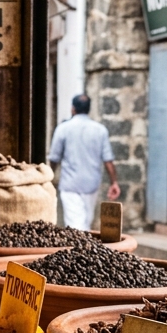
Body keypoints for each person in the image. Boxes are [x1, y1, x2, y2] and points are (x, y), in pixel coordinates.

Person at [48, 93, 121, 231]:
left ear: (73, 109)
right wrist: (114, 182)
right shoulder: (100, 130)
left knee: (76, 226)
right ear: (88, 109)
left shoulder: (63, 129)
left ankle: (81, 251)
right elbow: (108, 160)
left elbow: (54, 159)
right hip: (91, 185)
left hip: (70, 185)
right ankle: (86, 250)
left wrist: (47, 181)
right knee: (85, 223)